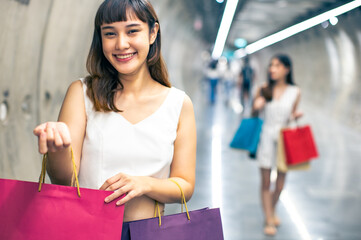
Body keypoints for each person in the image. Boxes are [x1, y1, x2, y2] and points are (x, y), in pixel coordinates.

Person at [33, 0, 196, 238]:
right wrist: (59, 148)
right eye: (110, 34)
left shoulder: (179, 104)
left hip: (150, 232)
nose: (121, 44)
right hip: (89, 230)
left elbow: (185, 185)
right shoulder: (82, 94)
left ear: (152, 33)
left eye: (132, 31)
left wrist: (145, 184)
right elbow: (64, 180)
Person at [252, 54, 302, 236]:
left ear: (287, 69)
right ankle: (268, 219)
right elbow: (253, 115)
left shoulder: (295, 91)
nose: (272, 68)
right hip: (266, 136)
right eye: (271, 65)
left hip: (285, 137)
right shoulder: (264, 89)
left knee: (280, 184)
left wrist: (295, 116)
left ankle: (272, 210)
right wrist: (256, 105)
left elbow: (292, 113)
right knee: (266, 182)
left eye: (278, 65)